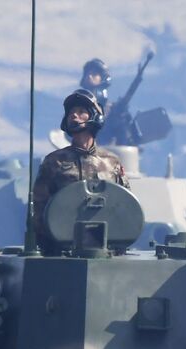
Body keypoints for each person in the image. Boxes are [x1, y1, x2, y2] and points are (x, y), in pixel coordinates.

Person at [32, 89, 128, 250]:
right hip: (62, 250)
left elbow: (123, 205)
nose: (74, 116)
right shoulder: (54, 162)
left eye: (81, 112)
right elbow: (40, 207)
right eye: (71, 112)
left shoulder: (111, 162)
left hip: (105, 250)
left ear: (94, 117)